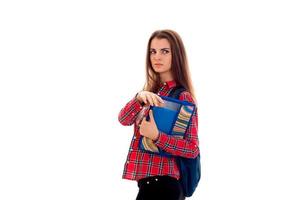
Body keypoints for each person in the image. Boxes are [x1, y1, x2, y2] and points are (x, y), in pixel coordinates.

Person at [118, 29, 199, 200]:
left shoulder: (182, 97)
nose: (157, 57)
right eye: (152, 51)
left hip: (164, 186)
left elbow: (192, 149)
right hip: (148, 186)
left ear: (176, 55)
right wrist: (139, 98)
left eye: (165, 51)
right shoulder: (150, 93)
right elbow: (123, 119)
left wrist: (157, 136)